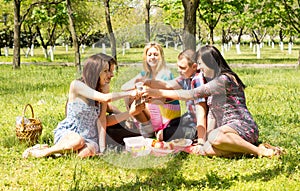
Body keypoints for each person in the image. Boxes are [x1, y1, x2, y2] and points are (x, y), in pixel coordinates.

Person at [142, 45, 283, 157]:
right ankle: (242, 150)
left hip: (243, 126)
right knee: (205, 149)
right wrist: (204, 142)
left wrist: (155, 92)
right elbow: (211, 115)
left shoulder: (224, 79)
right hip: (226, 132)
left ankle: (259, 151)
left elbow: (192, 94)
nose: (200, 68)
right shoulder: (212, 81)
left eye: (201, 64)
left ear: (211, 63)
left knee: (215, 138)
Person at [22, 53, 141, 158]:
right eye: (106, 71)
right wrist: (130, 93)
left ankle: (57, 153)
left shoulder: (104, 88)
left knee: (87, 152)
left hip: (90, 137)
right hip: (71, 133)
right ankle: (43, 152)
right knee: (77, 141)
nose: (111, 75)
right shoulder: (77, 86)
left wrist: (102, 148)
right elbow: (105, 98)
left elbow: (102, 120)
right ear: (95, 72)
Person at [143, 49, 207, 145]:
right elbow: (167, 85)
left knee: (164, 134)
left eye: (182, 67)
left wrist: (202, 142)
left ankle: (197, 136)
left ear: (194, 67)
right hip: (190, 118)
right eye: (178, 66)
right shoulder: (186, 77)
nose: (178, 70)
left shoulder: (198, 80)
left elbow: (202, 112)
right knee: (170, 125)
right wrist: (147, 82)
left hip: (200, 123)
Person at [121, 42, 181, 141]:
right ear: (146, 58)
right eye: (149, 55)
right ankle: (147, 128)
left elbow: (163, 99)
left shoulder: (165, 74)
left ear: (161, 57)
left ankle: (148, 129)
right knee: (128, 96)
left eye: (155, 54)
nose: (152, 57)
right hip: (153, 109)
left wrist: (145, 95)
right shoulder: (145, 74)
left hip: (166, 112)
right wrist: (136, 85)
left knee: (138, 97)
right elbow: (124, 87)